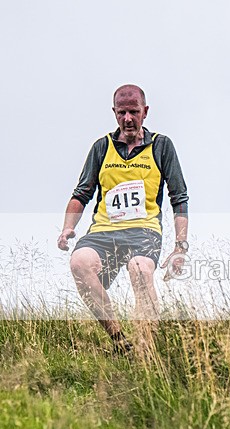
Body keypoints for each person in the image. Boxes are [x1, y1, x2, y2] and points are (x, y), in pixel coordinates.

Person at [57, 84, 189, 353]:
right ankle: (119, 340)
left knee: (140, 271)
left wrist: (180, 246)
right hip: (104, 230)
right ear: (114, 113)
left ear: (145, 112)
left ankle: (146, 349)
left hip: (144, 230)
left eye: (134, 112)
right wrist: (67, 228)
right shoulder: (101, 147)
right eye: (122, 113)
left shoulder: (162, 146)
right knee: (79, 263)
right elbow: (81, 193)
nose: (128, 119)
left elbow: (179, 198)